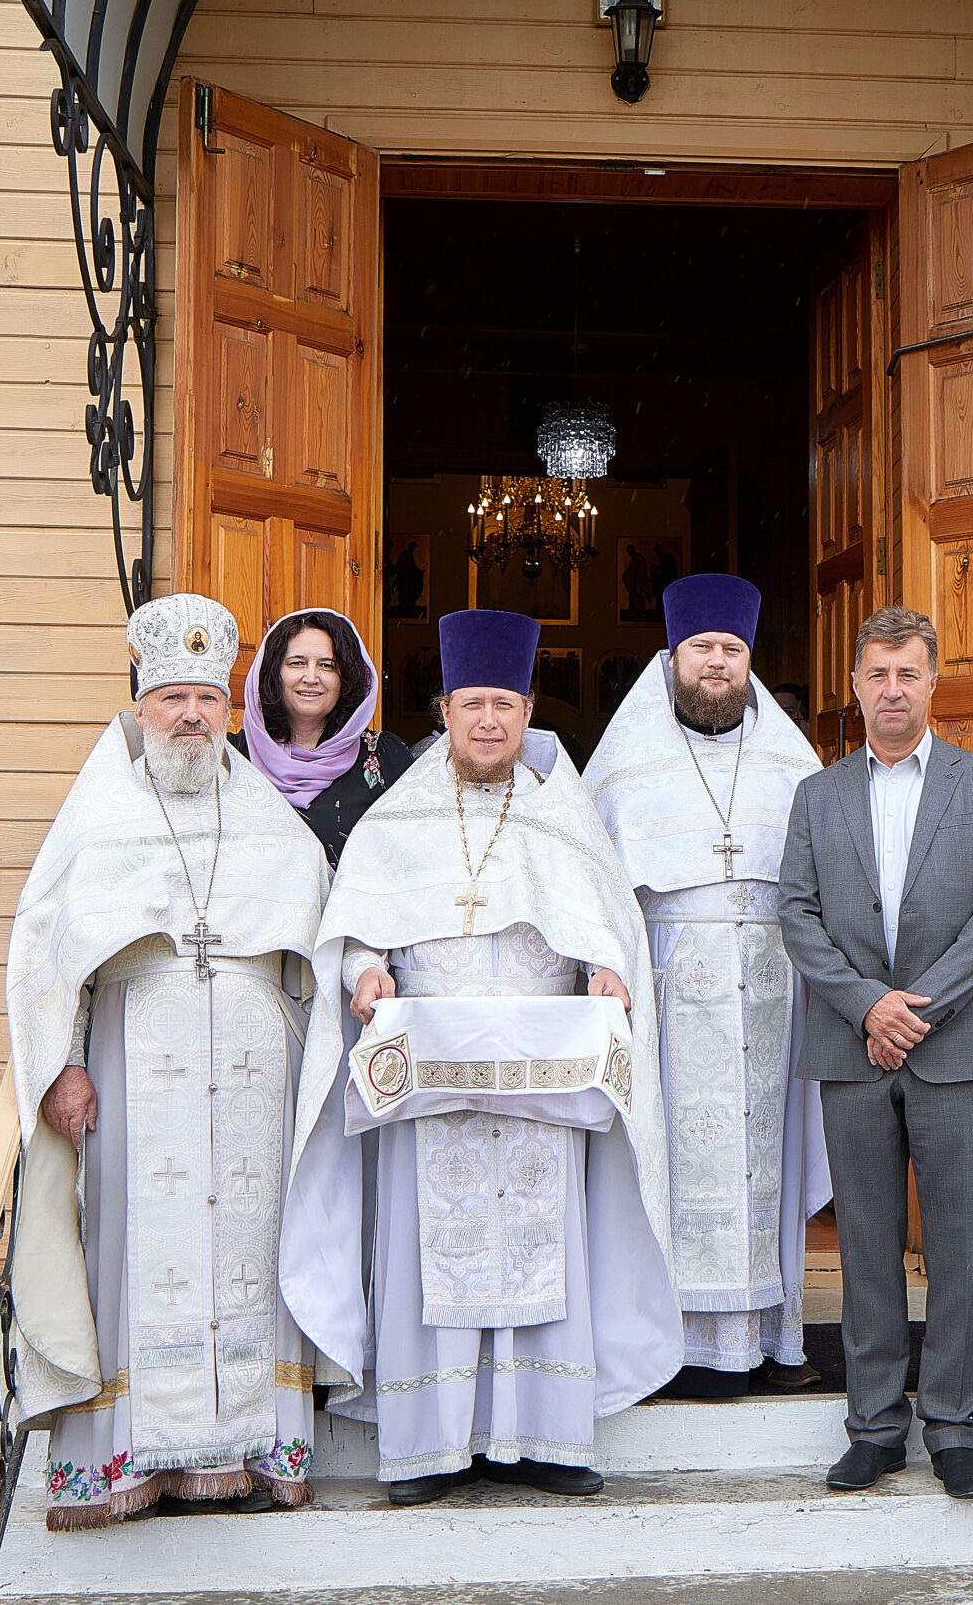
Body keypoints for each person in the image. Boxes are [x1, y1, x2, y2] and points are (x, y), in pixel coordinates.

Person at [286, 608, 678, 1506]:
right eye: (473, 705)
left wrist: (611, 970)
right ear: (445, 710)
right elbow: (354, 928)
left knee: (548, 1250)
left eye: (505, 704)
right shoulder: (398, 818)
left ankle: (545, 1439)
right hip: (435, 1083)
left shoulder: (561, 818)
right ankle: (429, 1447)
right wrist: (368, 967)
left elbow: (607, 926)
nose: (490, 721)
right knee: (435, 1254)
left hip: (543, 1080)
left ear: (528, 709)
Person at [1, 593, 342, 1530]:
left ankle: (252, 1451)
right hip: (131, 1076)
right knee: (129, 1250)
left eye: (207, 697)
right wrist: (63, 1065)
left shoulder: (272, 823)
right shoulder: (99, 817)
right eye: (173, 698)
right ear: (143, 708)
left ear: (230, 708)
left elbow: (317, 945)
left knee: (250, 1251)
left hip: (250, 1080)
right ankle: (122, 1463)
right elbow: (48, 954)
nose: (191, 715)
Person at [777, 605, 973, 1501]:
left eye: (908, 674)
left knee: (959, 1244)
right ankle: (875, 1426)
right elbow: (796, 913)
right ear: (855, 683)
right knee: (868, 1248)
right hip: (853, 1048)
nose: (892, 689)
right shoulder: (819, 795)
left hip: (955, 1045)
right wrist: (866, 1004)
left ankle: (957, 1429)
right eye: (876, 673)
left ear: (933, 683)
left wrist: (916, 1006)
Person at [582, 574, 831, 1399]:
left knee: (771, 1159)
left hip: (773, 985)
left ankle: (769, 1338)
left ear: (748, 660)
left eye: (731, 650)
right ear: (672, 658)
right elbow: (592, 883)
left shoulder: (794, 762)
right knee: (676, 1159)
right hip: (669, 988)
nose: (717, 663)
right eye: (702, 649)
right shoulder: (624, 765)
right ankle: (674, 1343)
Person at [232, 607, 415, 869]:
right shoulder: (234, 757)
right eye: (296, 663)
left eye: (327, 666)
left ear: (346, 677)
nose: (311, 678)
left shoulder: (383, 757)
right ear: (273, 672)